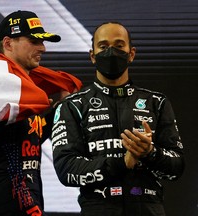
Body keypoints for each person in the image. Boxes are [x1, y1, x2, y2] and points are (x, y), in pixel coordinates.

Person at [51, 22, 185, 216]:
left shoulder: (156, 102)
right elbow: (66, 169)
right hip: (98, 208)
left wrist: (150, 152)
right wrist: (123, 163)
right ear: (92, 56)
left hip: (149, 207)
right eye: (103, 47)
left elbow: (178, 167)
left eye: (119, 45)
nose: (111, 52)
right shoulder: (73, 105)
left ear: (131, 54)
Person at [0, 10, 82, 216]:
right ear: (8, 43)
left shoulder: (30, 90)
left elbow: (29, 138)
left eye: (41, 42)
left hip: (32, 199)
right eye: (34, 41)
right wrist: (14, 115)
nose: (42, 48)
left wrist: (60, 109)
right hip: (6, 203)